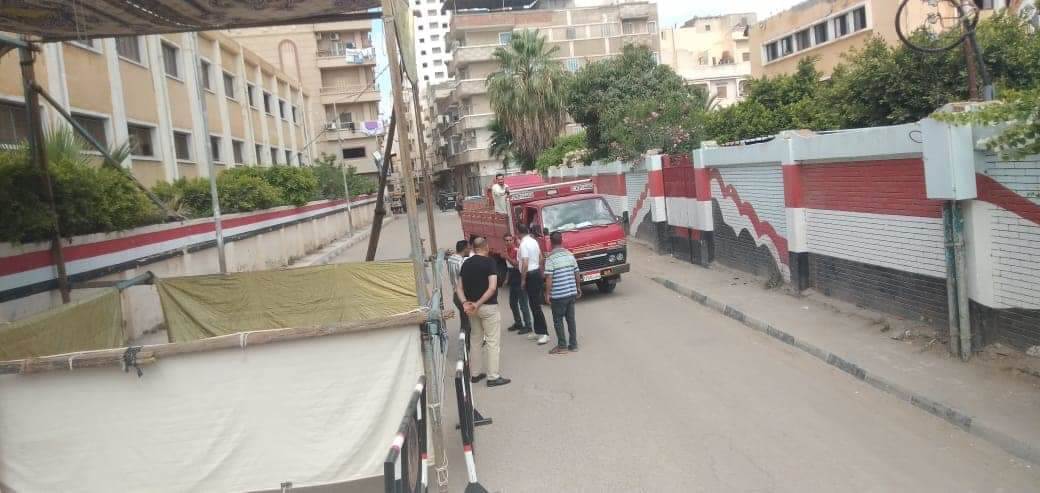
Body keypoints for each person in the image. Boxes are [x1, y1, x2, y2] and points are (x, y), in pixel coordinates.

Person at [457, 237, 511, 387]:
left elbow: (459, 288)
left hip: (471, 309)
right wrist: (478, 303)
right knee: (492, 341)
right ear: (486, 247)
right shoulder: (490, 263)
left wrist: (465, 303)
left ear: (473, 248)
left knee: (475, 340)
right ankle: (492, 376)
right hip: (488, 307)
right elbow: (492, 287)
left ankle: (475, 374)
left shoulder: (466, 264)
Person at [544, 231, 581, 354]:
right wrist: (578, 287)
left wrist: (547, 294)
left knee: (558, 320)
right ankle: (574, 345)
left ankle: (562, 346)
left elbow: (549, 278)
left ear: (551, 242)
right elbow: (577, 272)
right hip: (571, 293)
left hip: (558, 295)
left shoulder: (550, 259)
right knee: (571, 320)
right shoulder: (570, 255)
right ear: (561, 241)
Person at [517, 224, 549, 344]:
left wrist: (523, 279)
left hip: (530, 275)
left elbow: (525, 263)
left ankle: (544, 333)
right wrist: (537, 268)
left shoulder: (524, 244)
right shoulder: (533, 241)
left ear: (519, 232)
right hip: (535, 272)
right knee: (533, 304)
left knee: (535, 305)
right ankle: (538, 331)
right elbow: (541, 257)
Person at [503, 233, 532, 333]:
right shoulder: (506, 251)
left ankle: (528, 325)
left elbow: (516, 265)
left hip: (519, 277)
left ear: (513, 241)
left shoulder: (516, 251)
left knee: (523, 304)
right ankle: (518, 323)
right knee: (513, 303)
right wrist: (506, 279)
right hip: (512, 279)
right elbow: (509, 267)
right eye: (506, 240)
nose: (508, 242)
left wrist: (507, 257)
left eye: (510, 240)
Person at [447, 240, 472, 352]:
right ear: (465, 248)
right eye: (468, 248)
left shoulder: (451, 259)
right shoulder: (462, 262)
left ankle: (465, 343)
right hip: (463, 295)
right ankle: (466, 346)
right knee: (467, 322)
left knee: (464, 320)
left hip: (455, 294)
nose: (469, 250)